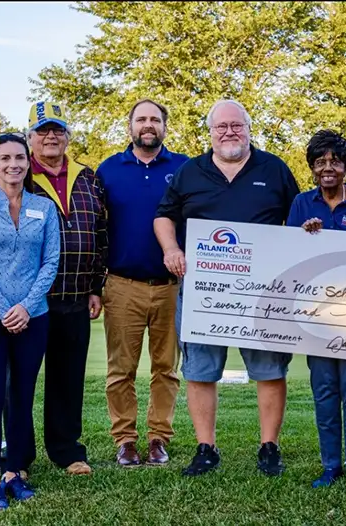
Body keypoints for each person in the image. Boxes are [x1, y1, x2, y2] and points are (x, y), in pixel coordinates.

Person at [154, 99, 300, 477]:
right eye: (221, 127)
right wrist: (171, 249)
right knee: (200, 369)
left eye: (237, 125)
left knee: (269, 368)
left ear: (249, 129)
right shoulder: (190, 172)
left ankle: (269, 446)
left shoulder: (274, 169)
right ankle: (206, 448)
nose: (229, 132)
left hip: (262, 291)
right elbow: (164, 216)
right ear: (211, 132)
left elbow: (299, 219)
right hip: (205, 290)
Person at [0, 133, 60, 511]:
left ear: (27, 162)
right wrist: (5, 308)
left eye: (19, 157)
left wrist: (26, 307)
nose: (13, 164)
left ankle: (14, 473)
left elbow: (50, 262)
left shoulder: (43, 207)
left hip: (34, 317)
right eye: (5, 158)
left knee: (21, 397)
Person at [286, 130, 346, 493]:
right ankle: (330, 466)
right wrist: (302, 235)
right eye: (320, 162)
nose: (328, 168)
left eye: (335, 162)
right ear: (312, 167)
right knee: (325, 392)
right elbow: (288, 257)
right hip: (315, 318)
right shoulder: (301, 203)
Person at [97, 99, 189, 467]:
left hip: (172, 285)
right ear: (130, 126)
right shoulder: (108, 170)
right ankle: (125, 440)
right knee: (121, 370)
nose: (148, 125)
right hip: (122, 284)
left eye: (155, 119)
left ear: (164, 126)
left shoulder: (184, 168)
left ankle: (158, 438)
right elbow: (97, 228)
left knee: (166, 368)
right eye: (141, 119)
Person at [24, 101, 108, 476]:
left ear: (68, 136)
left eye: (57, 130)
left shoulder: (87, 177)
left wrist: (96, 286)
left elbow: (101, 233)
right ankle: (18, 457)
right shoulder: (19, 174)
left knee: (68, 379)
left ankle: (66, 450)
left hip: (75, 296)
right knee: (21, 379)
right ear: (30, 137)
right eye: (42, 130)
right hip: (30, 299)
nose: (51, 137)